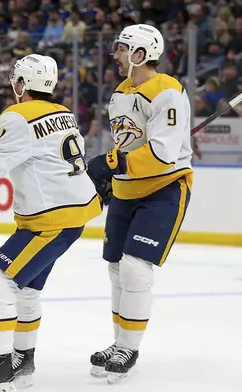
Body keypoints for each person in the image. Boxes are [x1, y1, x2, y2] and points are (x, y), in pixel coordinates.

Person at [0, 54, 102, 391]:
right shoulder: (64, 114)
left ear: (22, 84)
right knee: (26, 287)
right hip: (72, 213)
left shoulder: (17, 115)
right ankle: (22, 359)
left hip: (51, 220)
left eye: (15, 80)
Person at [86, 24, 193, 383]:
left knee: (134, 267)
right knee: (116, 268)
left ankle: (129, 347)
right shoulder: (120, 92)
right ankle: (118, 341)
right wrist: (109, 179)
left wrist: (112, 162)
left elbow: (162, 153)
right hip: (126, 191)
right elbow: (128, 145)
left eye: (121, 48)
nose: (114, 54)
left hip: (163, 189)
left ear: (140, 54)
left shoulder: (167, 91)